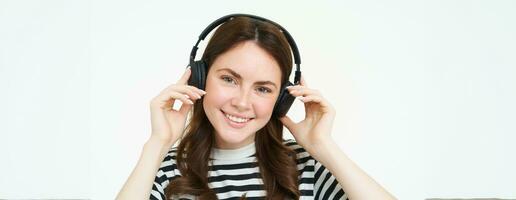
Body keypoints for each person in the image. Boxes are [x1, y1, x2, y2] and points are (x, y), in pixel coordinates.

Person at [116, 14, 396, 200]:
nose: (242, 102)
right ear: (200, 77)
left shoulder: (306, 167)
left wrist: (324, 146)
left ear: (282, 98)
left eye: (263, 88)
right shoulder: (167, 168)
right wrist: (157, 143)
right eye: (229, 79)